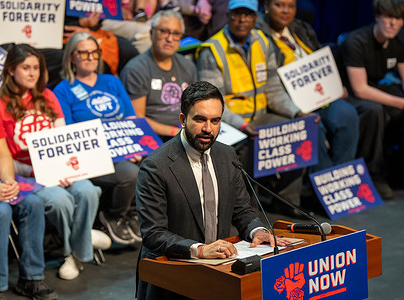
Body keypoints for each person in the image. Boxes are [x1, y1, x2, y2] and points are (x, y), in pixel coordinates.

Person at [136, 81, 292, 299]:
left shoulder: (227, 156)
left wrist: (258, 232)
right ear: (183, 119)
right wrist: (199, 250)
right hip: (172, 280)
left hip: (219, 275)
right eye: (200, 119)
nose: (208, 129)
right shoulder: (156, 166)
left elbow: (242, 210)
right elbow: (153, 234)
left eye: (215, 121)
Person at [0, 44, 109, 281]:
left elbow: (61, 138)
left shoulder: (47, 95)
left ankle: (79, 242)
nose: (33, 73)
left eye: (36, 68)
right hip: (25, 174)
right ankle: (74, 251)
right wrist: (42, 171)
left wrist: (61, 168)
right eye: (26, 68)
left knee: (88, 191)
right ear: (12, 70)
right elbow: (2, 156)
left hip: (56, 169)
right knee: (60, 200)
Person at [197, 0, 311, 217]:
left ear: (255, 18)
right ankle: (245, 211)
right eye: (237, 14)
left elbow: (274, 89)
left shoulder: (263, 42)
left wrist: (296, 112)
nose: (242, 20)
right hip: (229, 122)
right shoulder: (213, 50)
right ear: (228, 16)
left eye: (247, 15)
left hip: (261, 116)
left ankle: (287, 200)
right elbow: (212, 103)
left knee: (299, 130)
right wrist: (243, 124)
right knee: (245, 146)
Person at [53, 32, 142, 246]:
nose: (90, 57)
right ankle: (113, 215)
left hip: (121, 148)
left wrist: (133, 147)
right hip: (91, 156)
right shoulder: (63, 90)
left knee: (154, 162)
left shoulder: (111, 81)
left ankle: (133, 214)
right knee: (130, 174)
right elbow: (69, 135)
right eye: (83, 53)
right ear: (71, 57)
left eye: (94, 52)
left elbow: (130, 118)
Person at [259, 0, 359, 174]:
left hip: (320, 95)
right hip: (291, 101)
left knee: (347, 114)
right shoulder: (259, 36)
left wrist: (336, 85)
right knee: (313, 126)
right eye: (279, 5)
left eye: (291, 6)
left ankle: (342, 180)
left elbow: (321, 59)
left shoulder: (301, 28)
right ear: (267, 6)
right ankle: (325, 185)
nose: (286, 11)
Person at [341, 0, 404, 199]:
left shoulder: (401, 37)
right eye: (388, 17)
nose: (393, 24)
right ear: (377, 17)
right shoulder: (356, 41)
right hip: (348, 91)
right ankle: (372, 174)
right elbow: (360, 89)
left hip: (376, 86)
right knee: (375, 111)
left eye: (397, 19)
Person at [0, 99, 57, 300]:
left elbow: (1, 152)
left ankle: (31, 279)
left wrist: (9, 181)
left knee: (33, 203)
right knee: (0, 211)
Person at [120, 10, 198, 142]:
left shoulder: (187, 65)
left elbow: (195, 104)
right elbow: (137, 118)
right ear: (151, 33)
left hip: (186, 130)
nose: (169, 38)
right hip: (154, 136)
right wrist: (177, 132)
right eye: (164, 31)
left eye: (176, 33)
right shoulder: (135, 70)